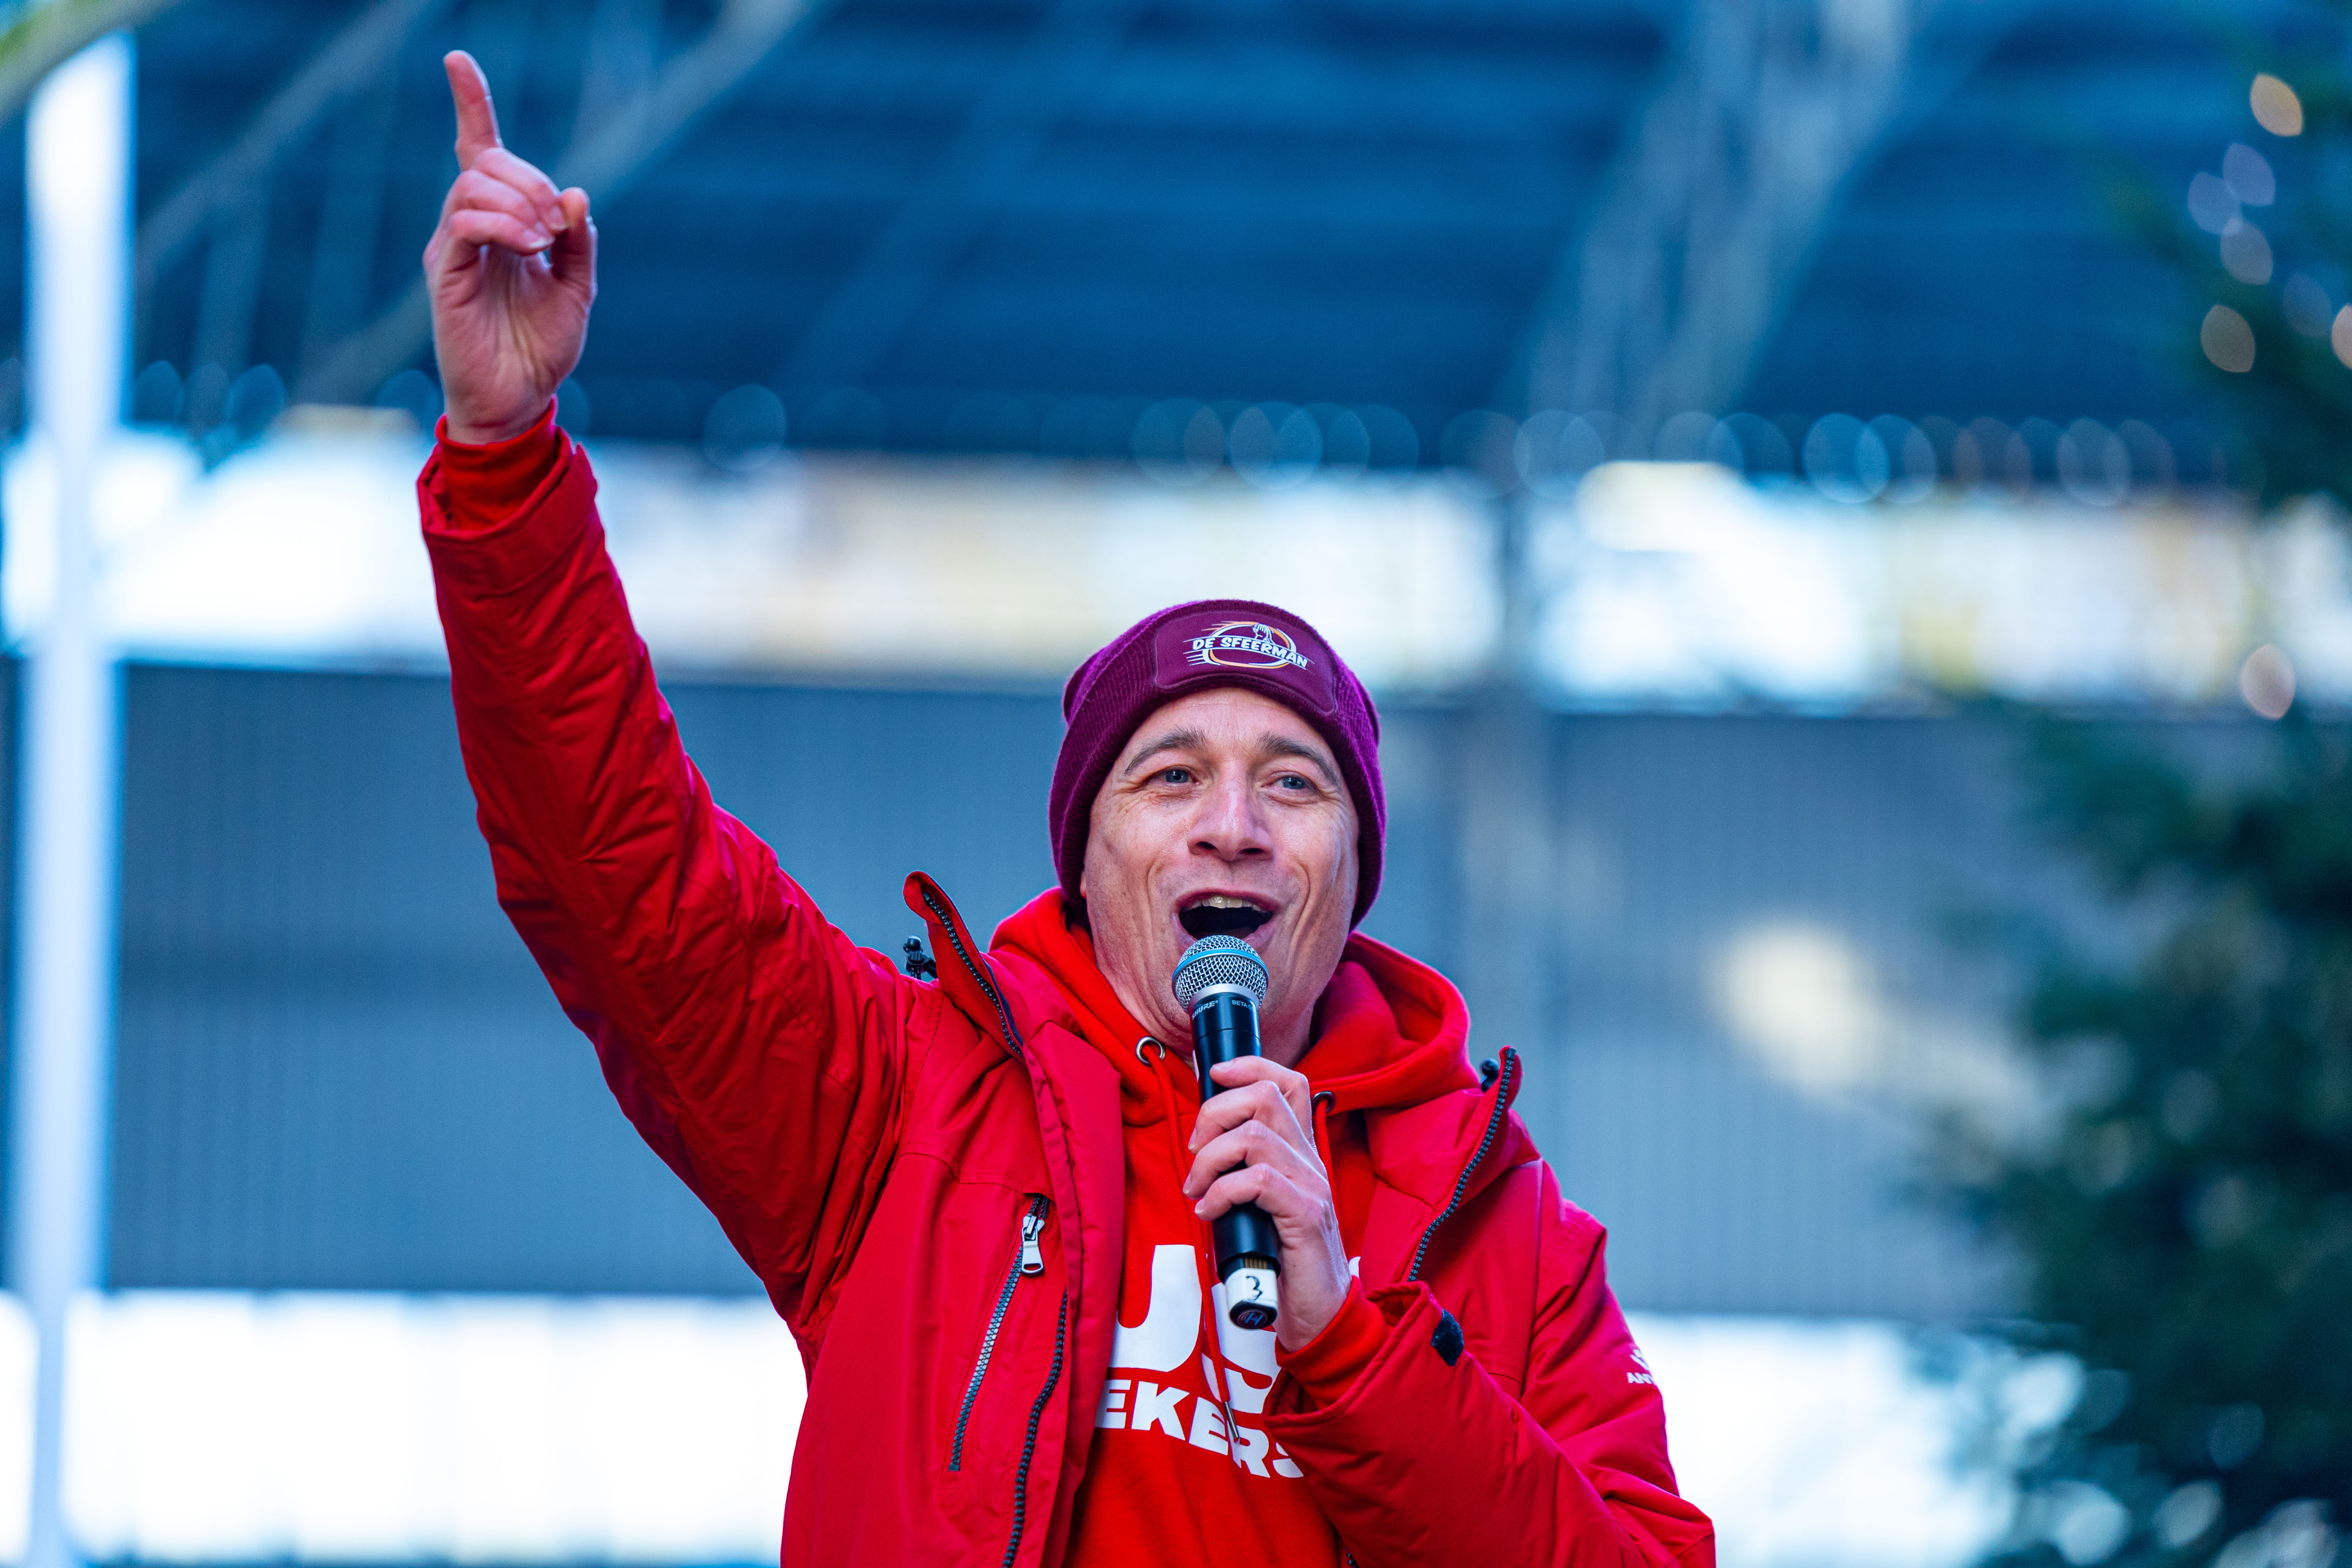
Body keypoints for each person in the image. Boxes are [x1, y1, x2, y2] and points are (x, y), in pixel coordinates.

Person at [416, 48, 1715, 1568]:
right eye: (1170, 778)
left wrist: (1353, 1337)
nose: (1233, 821)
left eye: (1292, 786)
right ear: (1087, 869)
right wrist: (506, 465)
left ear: (1349, 880)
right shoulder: (897, 1106)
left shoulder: (1505, 1226)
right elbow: (618, 860)